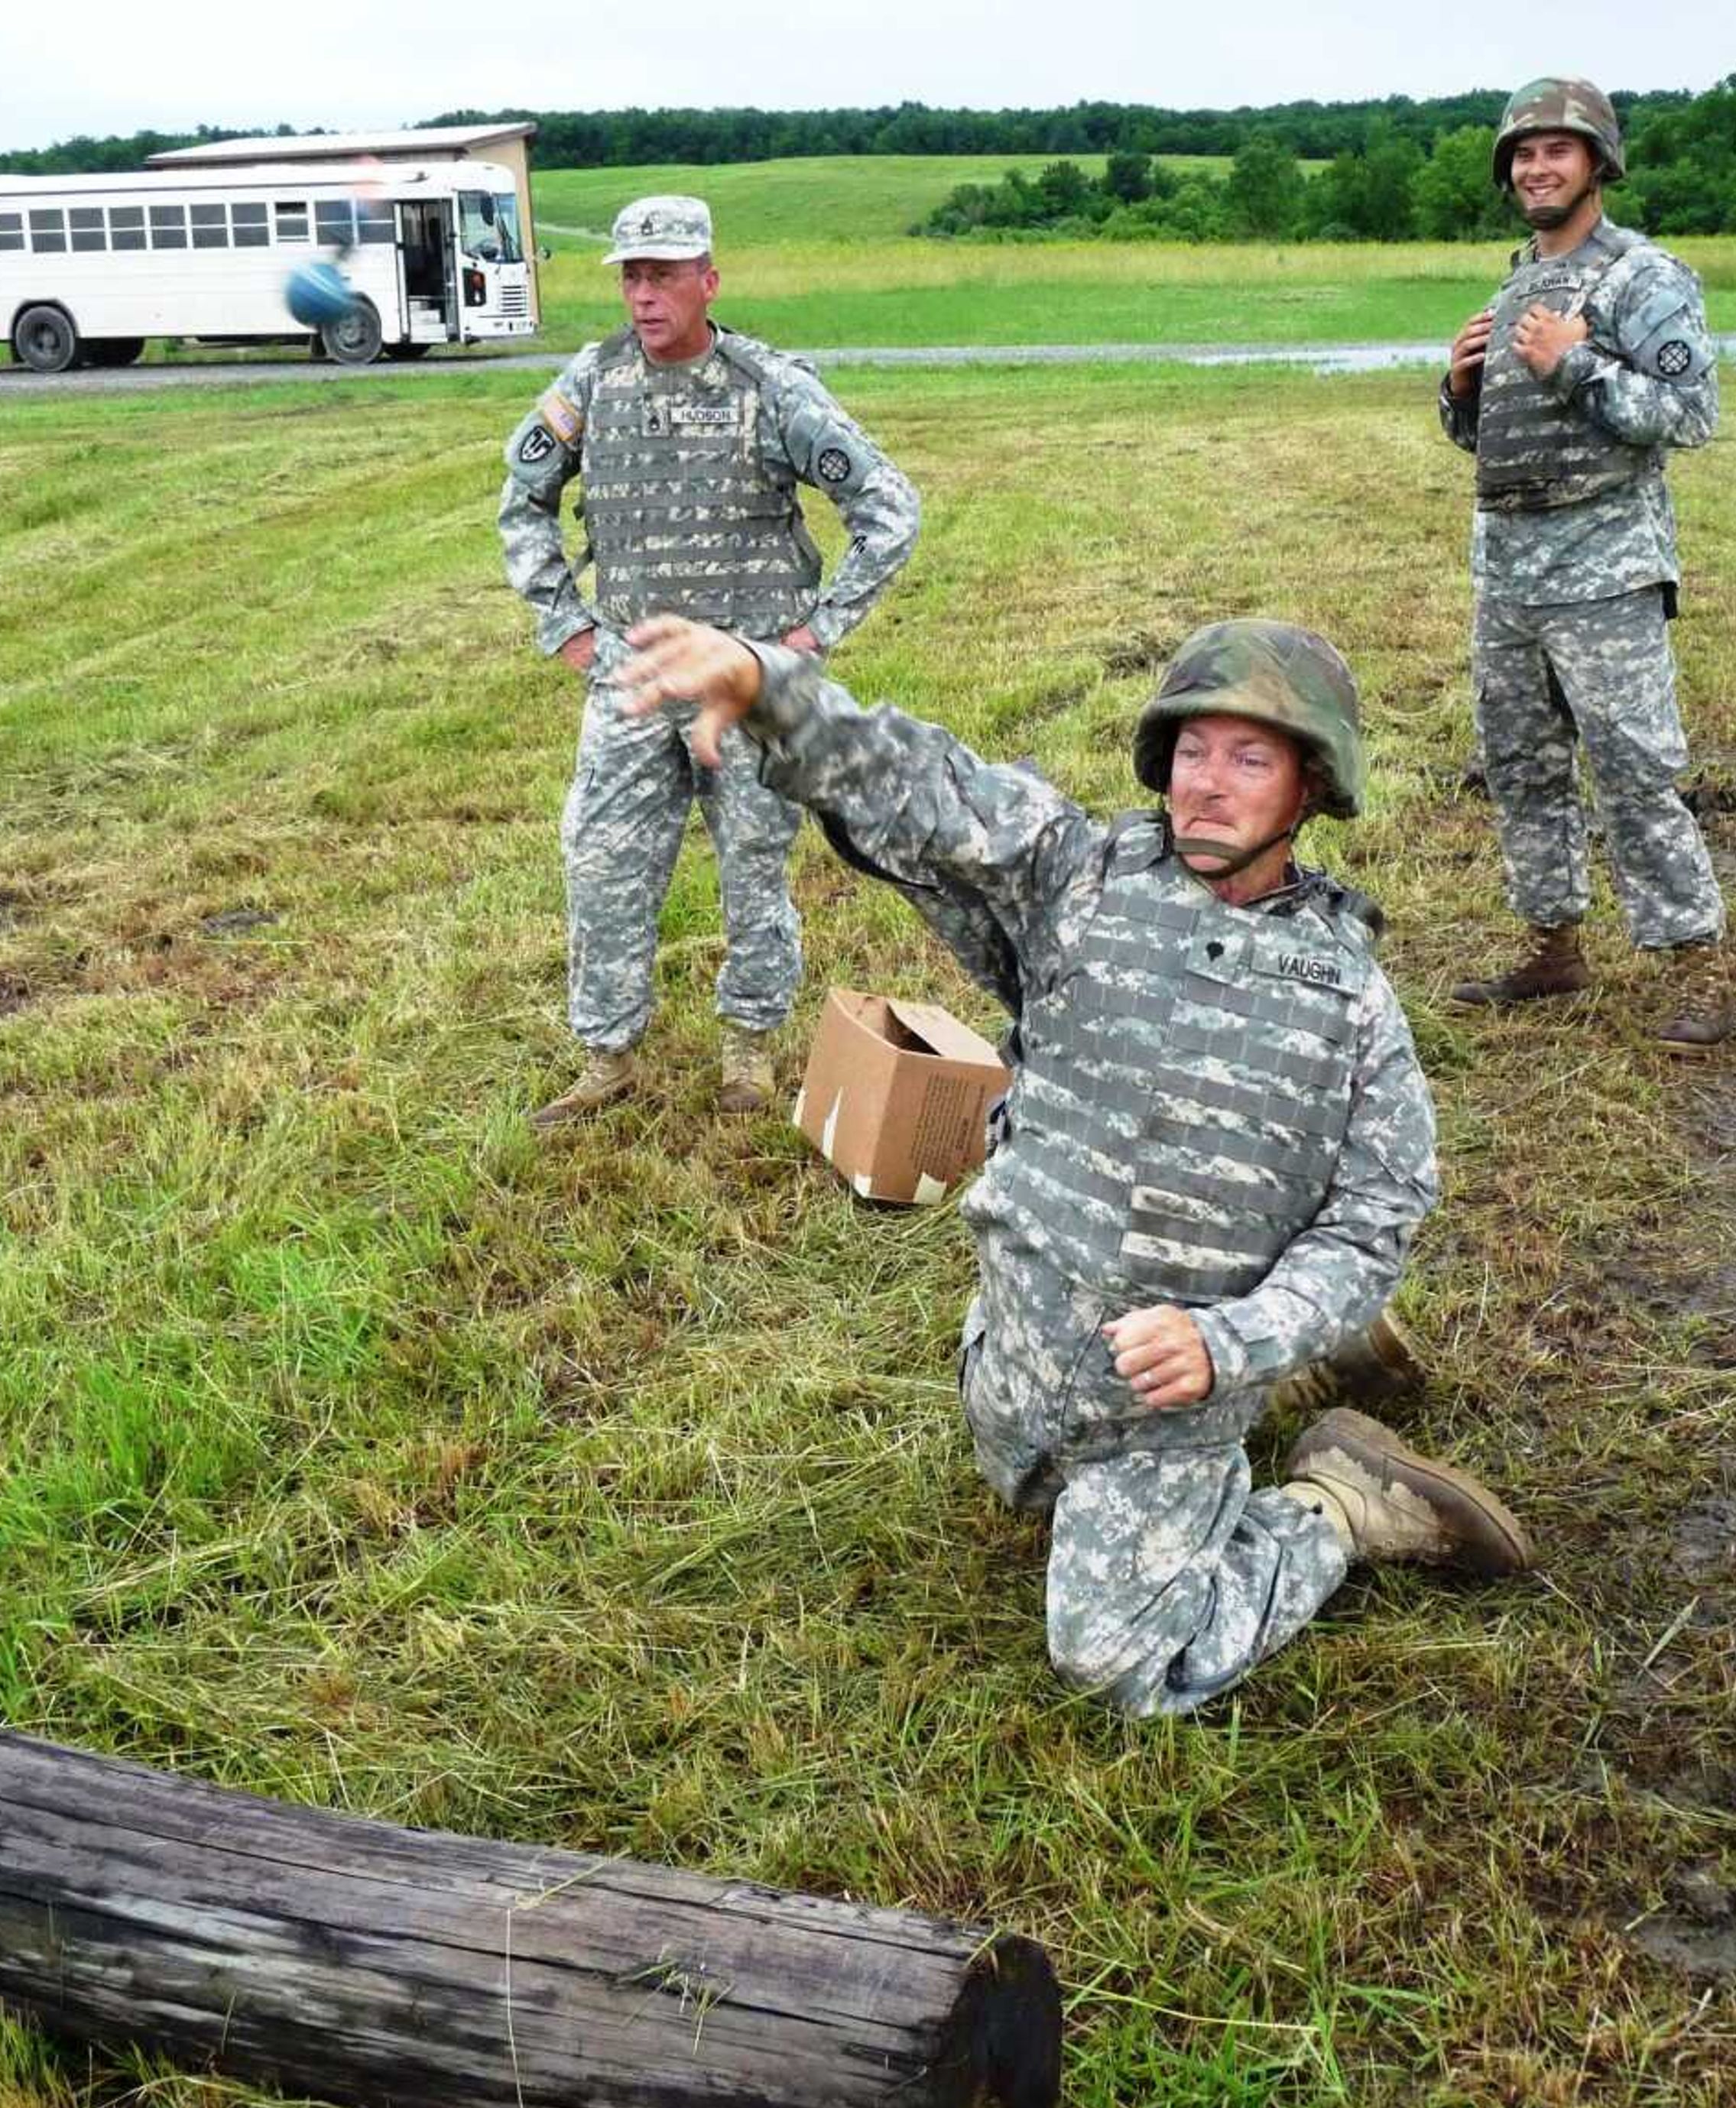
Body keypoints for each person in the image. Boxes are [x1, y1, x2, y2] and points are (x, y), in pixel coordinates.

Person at [617, 613, 1536, 1717]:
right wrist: (774, 687)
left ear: (1310, 789)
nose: (1209, 783)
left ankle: (1341, 1502)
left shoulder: (1346, 1004)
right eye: (1194, 750)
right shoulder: (1079, 879)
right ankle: (1315, 1350)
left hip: (1167, 1405)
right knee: (1021, 1477)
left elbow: (1377, 1216)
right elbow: (928, 783)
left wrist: (1232, 1340)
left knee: (1116, 1661)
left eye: (1251, 759)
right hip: (1018, 1372)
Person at [496, 194, 921, 1123]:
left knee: (754, 870)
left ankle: (749, 1053)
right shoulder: (593, 382)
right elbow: (520, 499)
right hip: (635, 681)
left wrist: (811, 638)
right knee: (603, 865)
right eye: (632, 278)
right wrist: (566, 625)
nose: (644, 297)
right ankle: (607, 1059)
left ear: (707, 281)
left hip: (749, 683)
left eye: (664, 277)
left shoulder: (770, 388)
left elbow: (890, 508)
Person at [1439, 77, 1736, 1049]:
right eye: (1522, 154)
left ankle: (1696, 965)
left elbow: (1689, 416)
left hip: (1604, 569)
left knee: (1634, 770)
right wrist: (1457, 387)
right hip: (1511, 573)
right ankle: (1553, 948)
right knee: (1521, 768)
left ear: (1599, 163)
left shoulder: (1643, 278)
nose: (1537, 167)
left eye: (1557, 151)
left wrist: (1574, 362)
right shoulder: (1518, 279)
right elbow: (1490, 437)